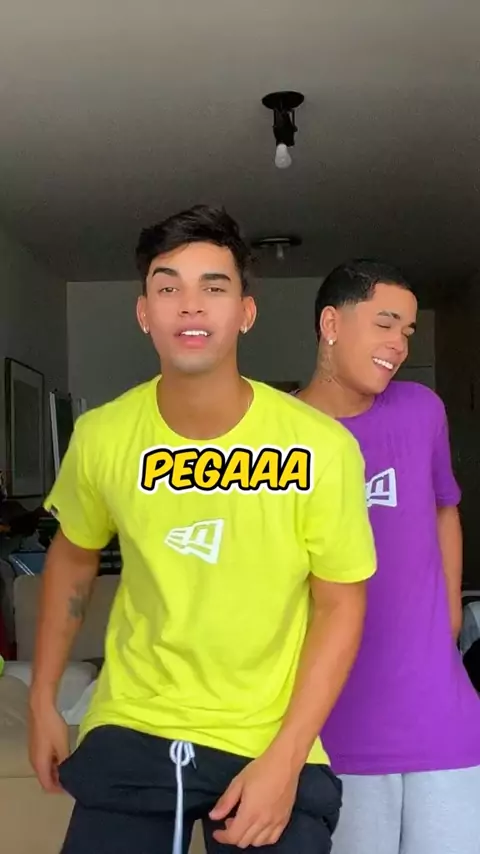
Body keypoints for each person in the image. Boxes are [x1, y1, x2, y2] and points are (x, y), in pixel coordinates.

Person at [28, 207, 376, 854]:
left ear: (245, 312)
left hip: (267, 735)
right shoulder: (102, 436)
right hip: (134, 725)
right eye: (169, 288)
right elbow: (74, 556)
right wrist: (43, 697)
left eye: (213, 287)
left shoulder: (322, 447)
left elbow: (341, 602)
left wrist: (287, 759)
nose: (190, 305)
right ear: (144, 313)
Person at [297, 259, 480, 854]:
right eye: (384, 324)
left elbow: (444, 507)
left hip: (441, 716)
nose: (399, 344)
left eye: (407, 330)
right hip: (333, 725)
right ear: (331, 324)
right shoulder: (279, 434)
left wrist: (447, 614)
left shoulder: (422, 410)